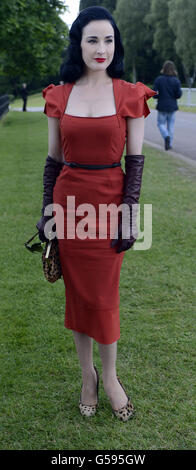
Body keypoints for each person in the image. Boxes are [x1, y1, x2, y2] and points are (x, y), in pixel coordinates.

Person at [36, 6, 156, 422]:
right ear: (79, 44)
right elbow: (52, 161)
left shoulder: (129, 93)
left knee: (103, 296)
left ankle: (109, 378)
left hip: (108, 204)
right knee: (79, 296)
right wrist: (46, 212)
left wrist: (130, 215)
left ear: (115, 44)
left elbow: (136, 161)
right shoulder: (59, 94)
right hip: (69, 206)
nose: (101, 48)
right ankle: (86, 377)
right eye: (92, 39)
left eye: (109, 39)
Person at [153, 60, 182, 150]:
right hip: (172, 106)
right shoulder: (176, 81)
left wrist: (158, 96)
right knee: (171, 125)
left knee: (160, 124)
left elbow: (154, 93)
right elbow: (178, 94)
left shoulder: (159, 80)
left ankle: (166, 136)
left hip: (162, 105)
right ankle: (169, 144)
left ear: (164, 69)